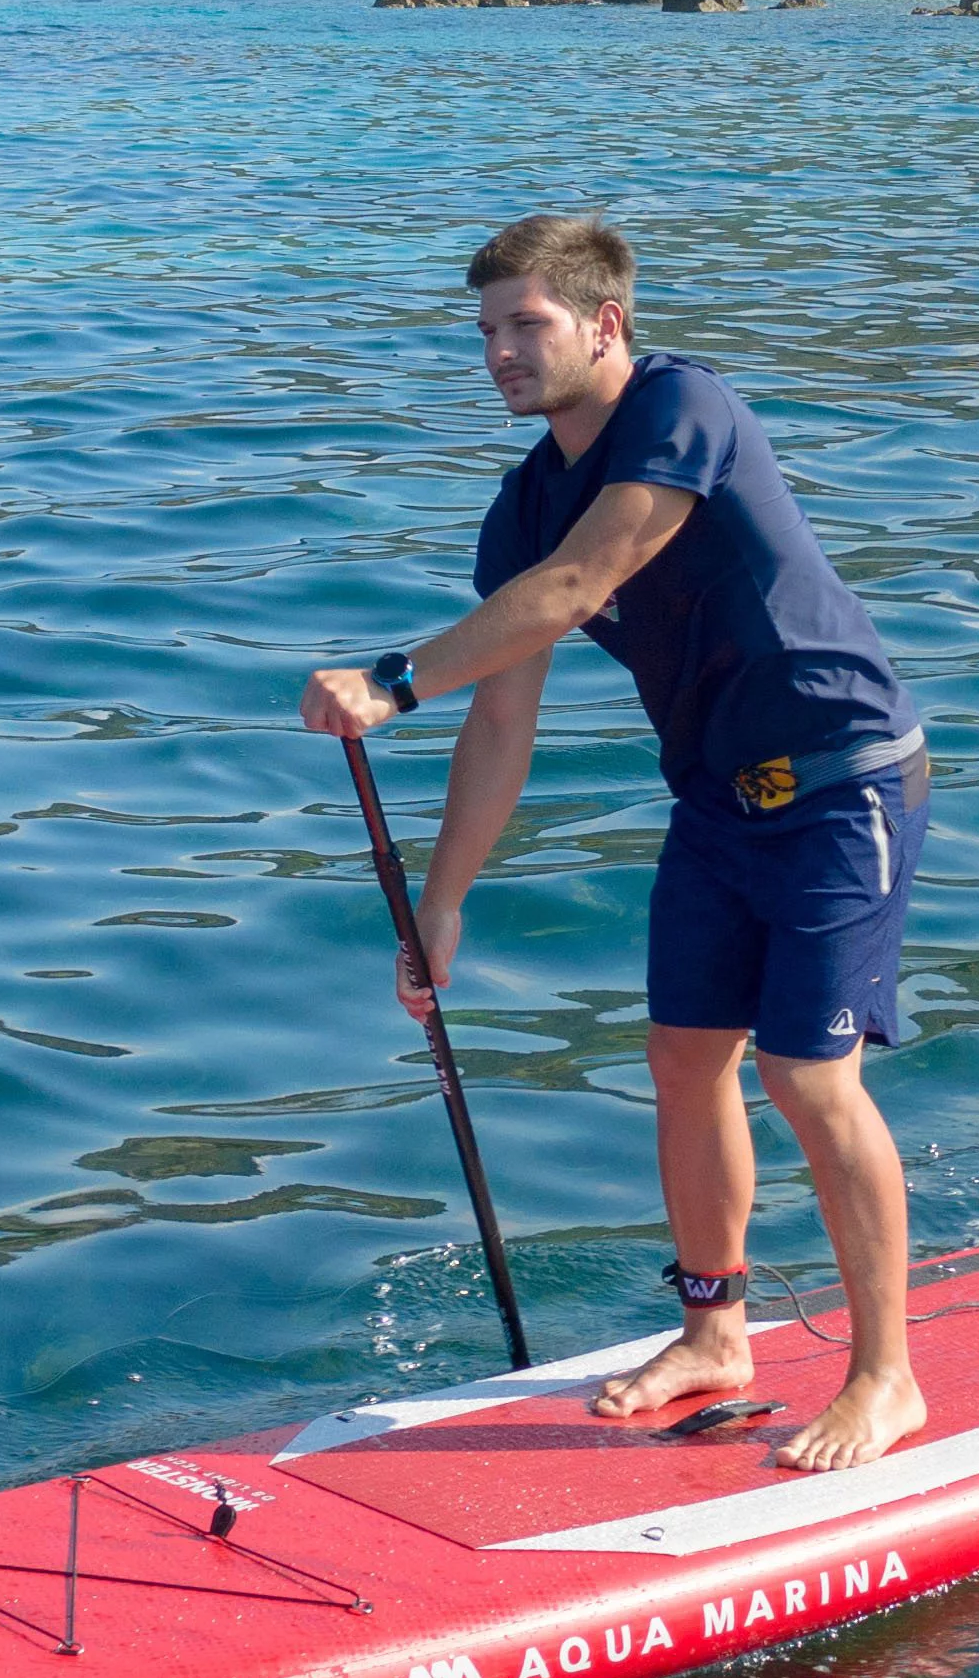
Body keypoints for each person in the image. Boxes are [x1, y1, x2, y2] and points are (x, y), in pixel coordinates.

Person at [298, 212, 931, 1470]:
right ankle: (715, 1334)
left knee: (809, 1077)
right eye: (483, 331)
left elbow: (584, 585)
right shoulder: (520, 508)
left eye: (525, 323)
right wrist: (443, 908)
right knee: (684, 1059)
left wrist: (391, 678)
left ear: (606, 322)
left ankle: (886, 1376)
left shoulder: (682, 409)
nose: (498, 353)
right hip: (714, 805)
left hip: (843, 780)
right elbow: (504, 720)